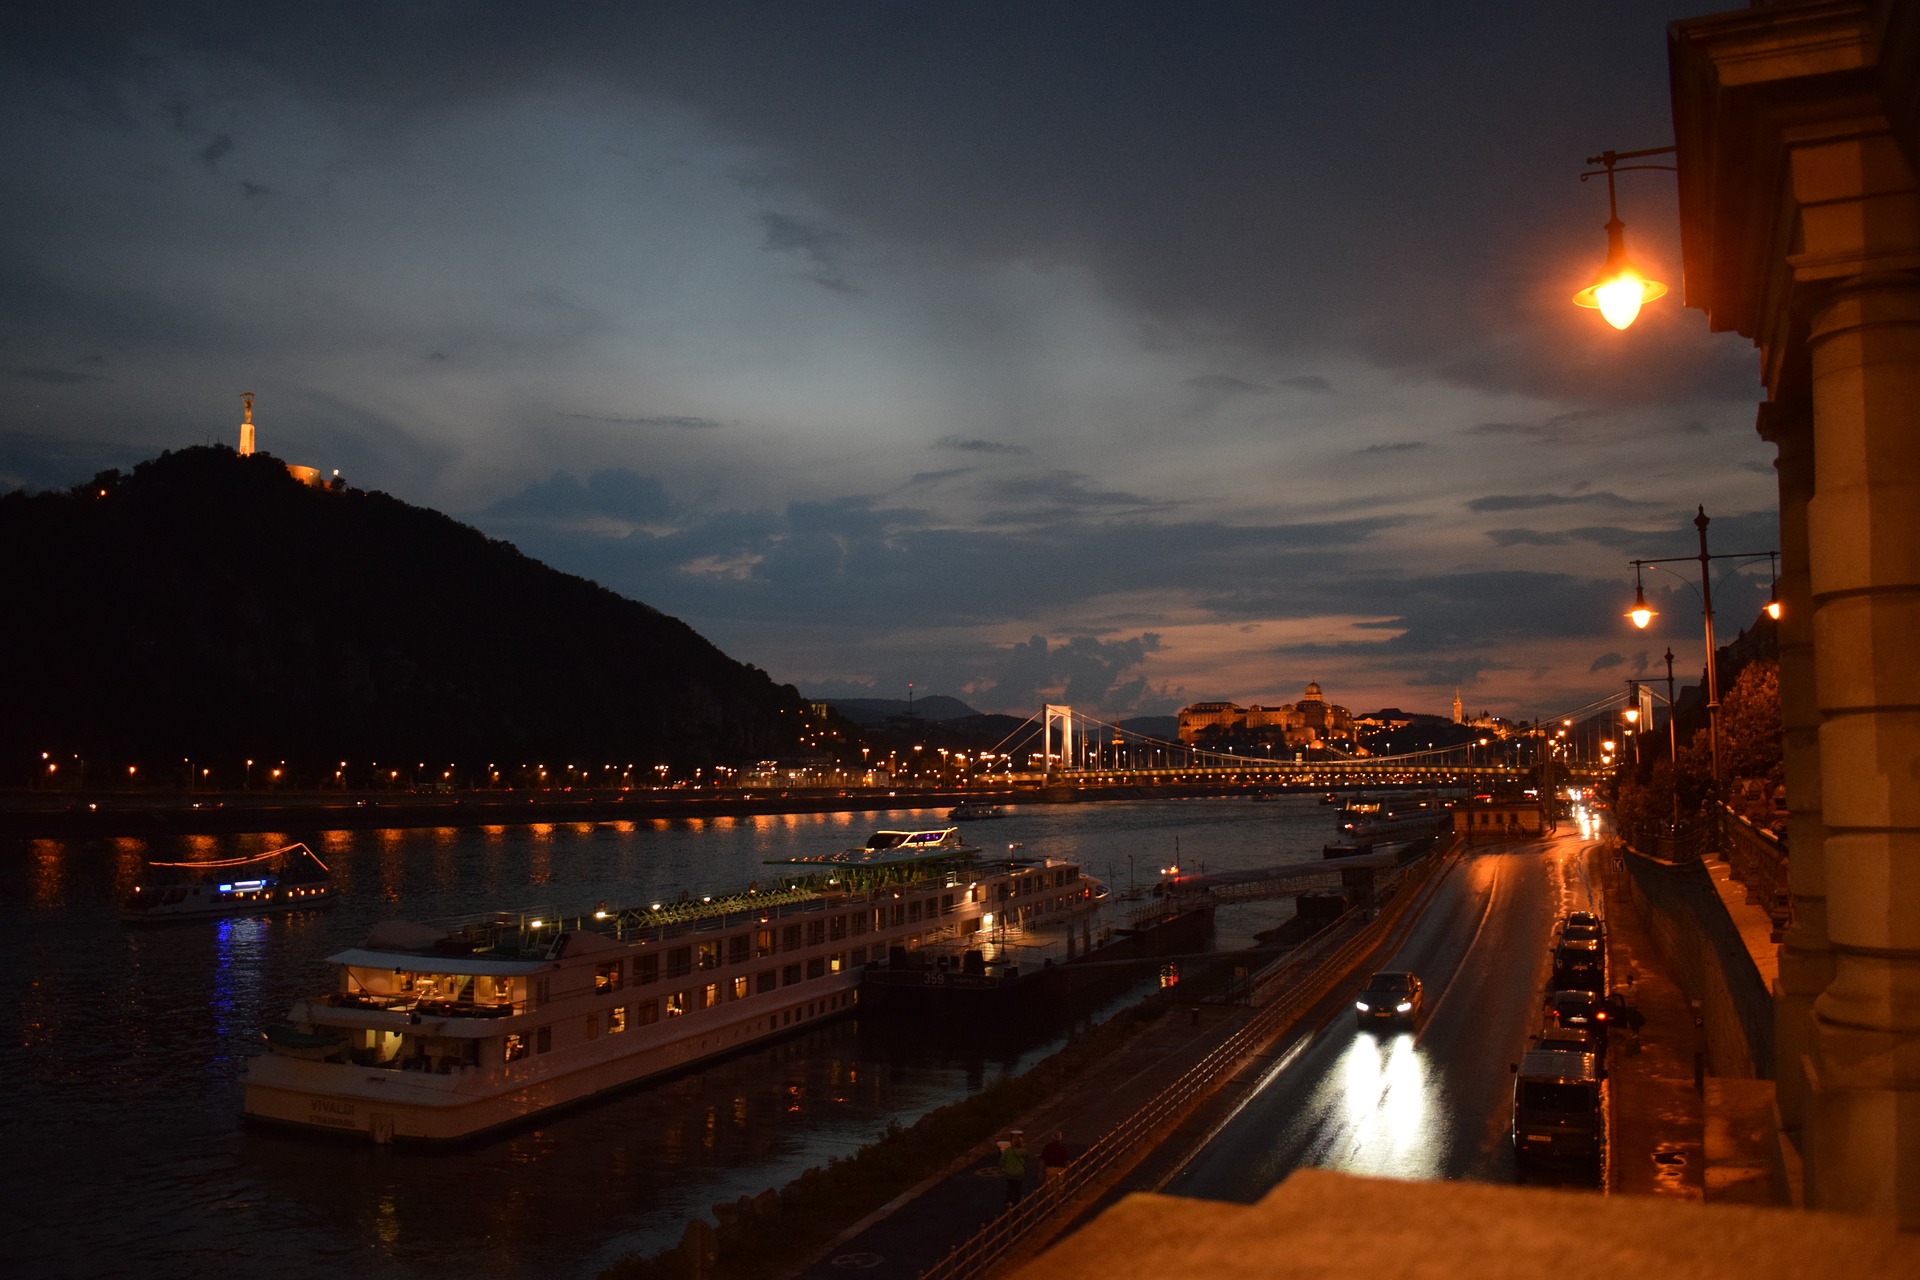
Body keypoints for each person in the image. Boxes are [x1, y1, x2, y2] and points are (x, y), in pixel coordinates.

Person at [1000, 1131, 1027, 1207]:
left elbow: (1002, 1161)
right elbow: (1027, 1155)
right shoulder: (1021, 1151)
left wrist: (1003, 1167)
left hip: (1009, 1173)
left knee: (1010, 1187)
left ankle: (1008, 1201)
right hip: (1019, 1173)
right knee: (1017, 1189)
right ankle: (1016, 1204)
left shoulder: (1007, 1151)